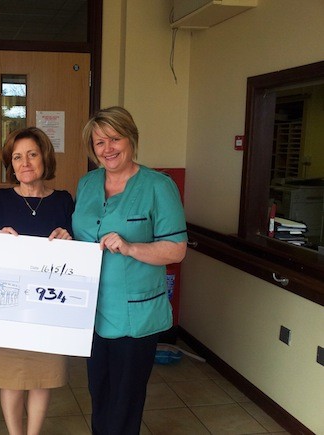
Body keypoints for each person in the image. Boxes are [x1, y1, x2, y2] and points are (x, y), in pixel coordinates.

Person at [72, 106, 187, 435]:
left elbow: (177, 249)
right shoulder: (88, 183)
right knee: (100, 394)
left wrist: (131, 247)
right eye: (98, 143)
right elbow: (80, 234)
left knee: (125, 399)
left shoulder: (158, 186)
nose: (107, 148)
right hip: (92, 311)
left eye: (114, 138)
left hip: (136, 317)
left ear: (131, 138)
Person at [0, 126, 74, 435]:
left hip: (48, 308)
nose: (25, 163)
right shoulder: (0, 199)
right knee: (10, 376)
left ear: (44, 158)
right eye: (17, 157)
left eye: (32, 155)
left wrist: (69, 237)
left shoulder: (63, 200)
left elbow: (77, 253)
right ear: (11, 163)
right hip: (8, 306)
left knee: (42, 376)